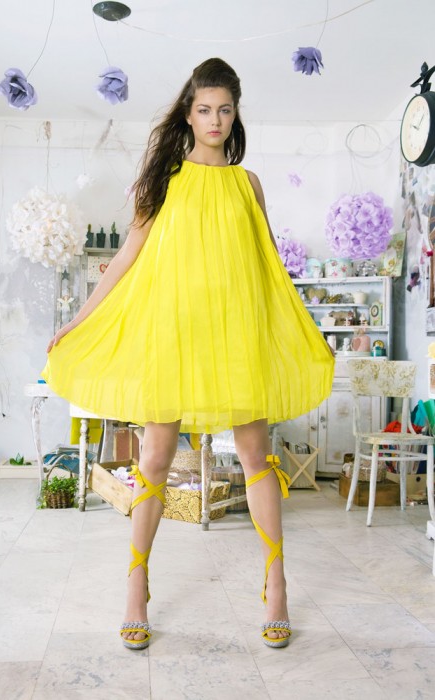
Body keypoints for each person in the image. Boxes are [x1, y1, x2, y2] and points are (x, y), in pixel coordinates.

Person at [43, 57, 334, 651]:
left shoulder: (248, 184)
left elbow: (269, 269)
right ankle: (136, 586)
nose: (215, 120)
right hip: (173, 336)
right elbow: (124, 261)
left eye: (225, 110)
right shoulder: (165, 181)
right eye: (205, 110)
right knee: (153, 458)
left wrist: (301, 324)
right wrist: (77, 319)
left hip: (237, 337)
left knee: (256, 457)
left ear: (235, 114)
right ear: (189, 113)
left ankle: (276, 586)